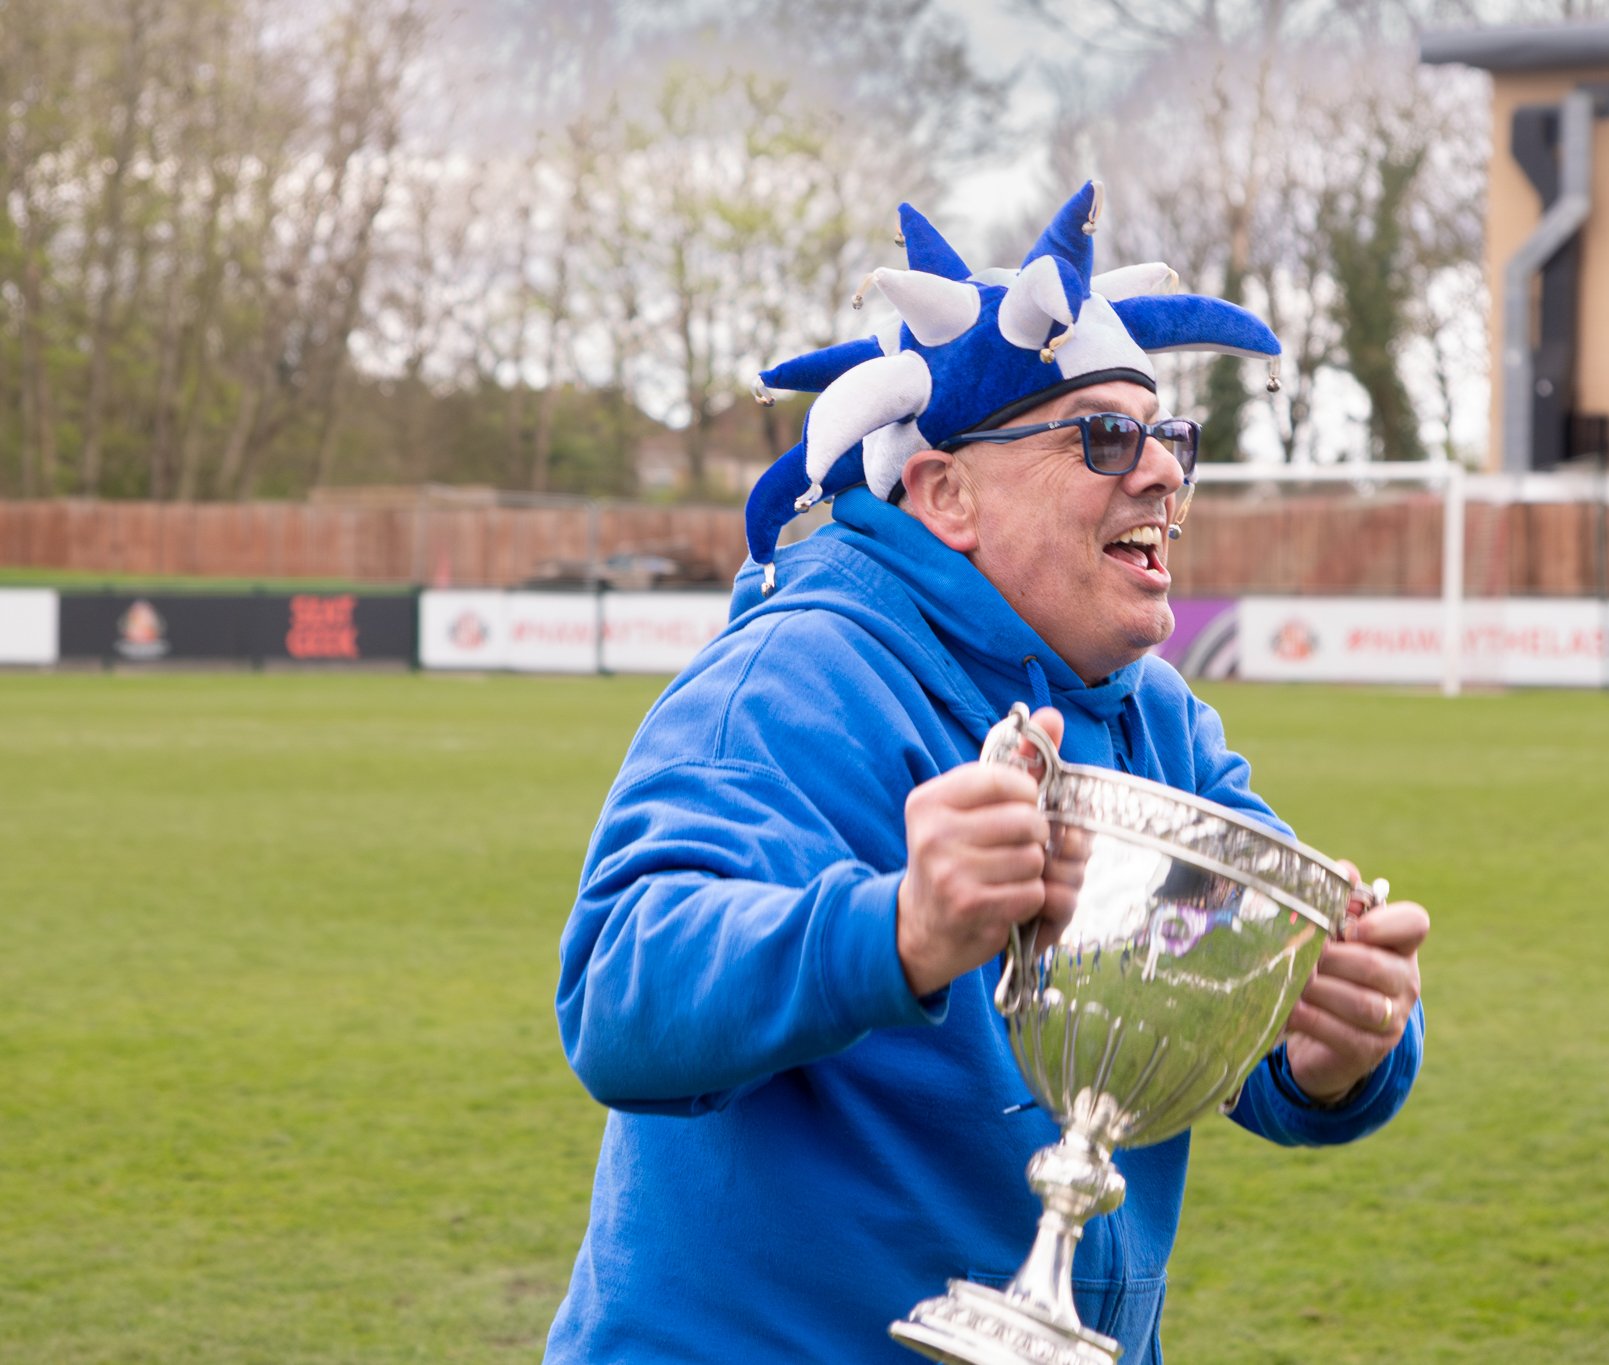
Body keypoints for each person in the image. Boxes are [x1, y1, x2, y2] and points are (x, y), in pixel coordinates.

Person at [545, 183, 1429, 1364]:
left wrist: (1333, 1051)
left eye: (1171, 439)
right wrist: (899, 929)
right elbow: (616, 991)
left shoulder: (1159, 720)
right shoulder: (793, 677)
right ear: (945, 494)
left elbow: (1249, 1016)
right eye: (1104, 439)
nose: (1162, 476)